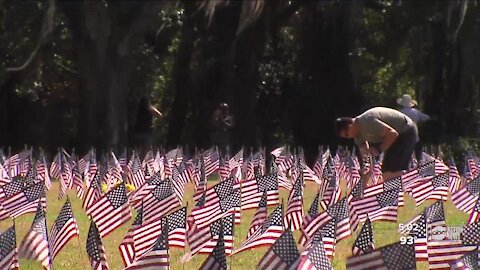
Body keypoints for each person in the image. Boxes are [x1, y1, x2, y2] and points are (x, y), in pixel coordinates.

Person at [335, 107, 419, 184]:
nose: (349, 137)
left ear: (350, 126)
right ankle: (396, 194)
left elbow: (393, 134)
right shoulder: (358, 137)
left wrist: (378, 149)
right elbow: (366, 160)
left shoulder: (367, 122)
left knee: (393, 168)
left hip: (406, 131)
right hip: (395, 138)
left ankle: (402, 193)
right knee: (386, 169)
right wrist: (363, 185)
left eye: (346, 134)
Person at [397, 94, 430, 164]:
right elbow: (426, 117)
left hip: (404, 136)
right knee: (418, 155)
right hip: (414, 135)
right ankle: (418, 167)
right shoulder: (415, 112)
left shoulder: (400, 113)